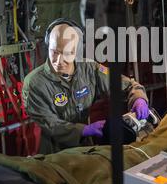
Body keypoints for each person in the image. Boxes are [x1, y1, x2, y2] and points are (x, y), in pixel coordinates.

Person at [22, 18, 150, 154]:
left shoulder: (90, 69)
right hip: (54, 155)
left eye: (67, 53)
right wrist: (83, 130)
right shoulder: (34, 83)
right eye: (54, 52)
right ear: (48, 45)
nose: (58, 61)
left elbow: (126, 85)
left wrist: (138, 98)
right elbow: (50, 123)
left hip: (86, 149)